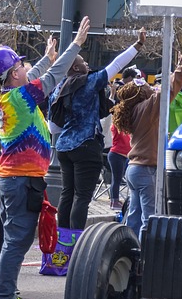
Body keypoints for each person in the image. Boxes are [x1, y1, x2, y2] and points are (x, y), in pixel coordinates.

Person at [0, 16, 89, 299]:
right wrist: (76, 45)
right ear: (12, 74)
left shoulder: (7, 96)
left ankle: (4, 290)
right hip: (21, 180)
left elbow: (40, 74)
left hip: (12, 178)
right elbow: (52, 76)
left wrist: (47, 56)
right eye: (20, 66)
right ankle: (4, 297)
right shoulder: (20, 98)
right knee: (17, 240)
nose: (24, 68)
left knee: (9, 238)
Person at [52, 30, 143, 230]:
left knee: (67, 193)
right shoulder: (89, 81)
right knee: (82, 197)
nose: (87, 65)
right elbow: (116, 65)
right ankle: (76, 239)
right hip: (86, 145)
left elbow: (54, 125)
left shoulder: (58, 89)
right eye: (84, 62)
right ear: (76, 67)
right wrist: (136, 46)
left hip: (64, 148)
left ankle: (64, 240)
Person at [113, 39, 182, 237]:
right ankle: (144, 256)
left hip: (134, 169)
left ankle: (130, 254)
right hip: (146, 170)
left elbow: (168, 89)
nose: (150, 87)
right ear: (140, 94)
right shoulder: (147, 108)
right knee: (149, 219)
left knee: (134, 217)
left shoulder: (135, 110)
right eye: (144, 86)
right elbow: (169, 89)